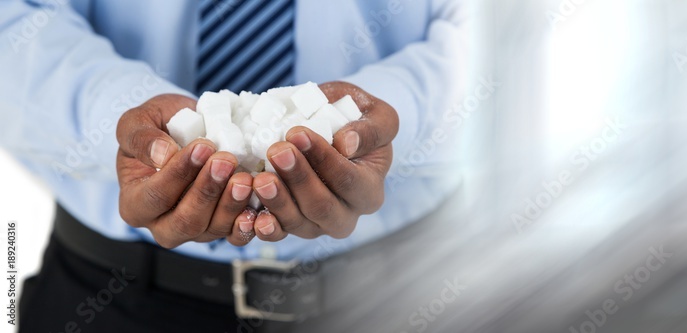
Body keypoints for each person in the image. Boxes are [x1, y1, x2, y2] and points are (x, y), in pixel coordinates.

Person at [0, 0, 466, 331]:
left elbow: (518, 23)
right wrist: (124, 126)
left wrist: (392, 118)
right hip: (107, 295)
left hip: (410, 293)